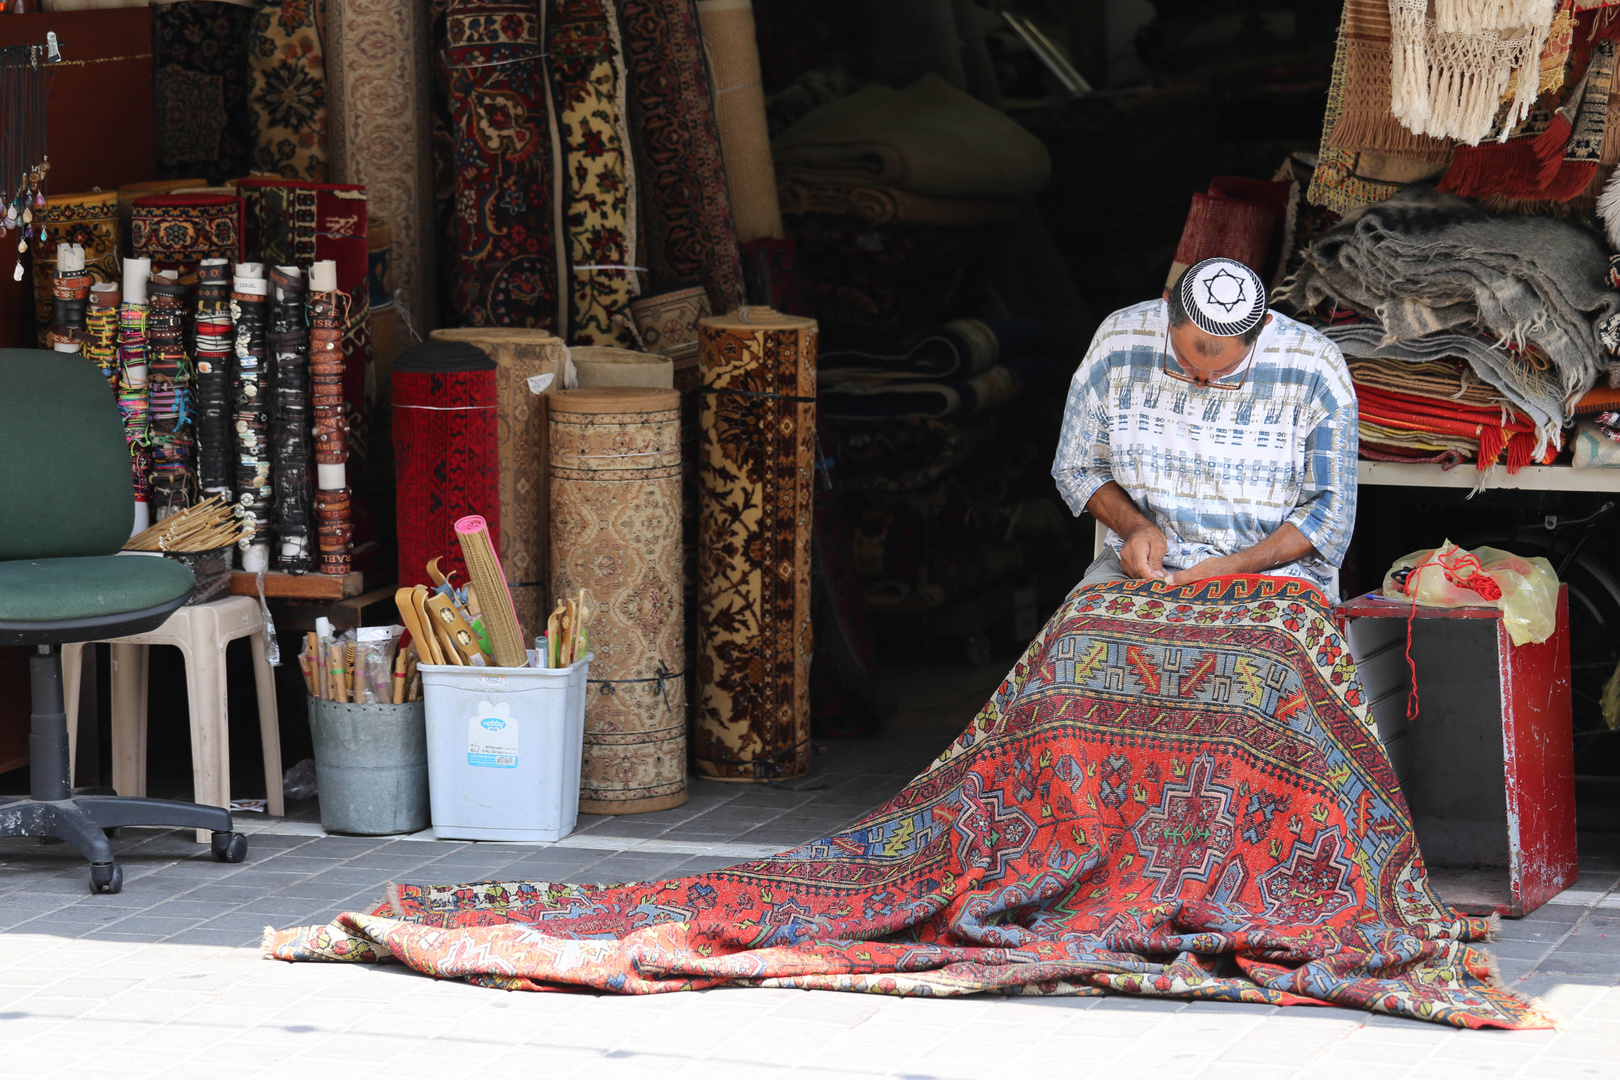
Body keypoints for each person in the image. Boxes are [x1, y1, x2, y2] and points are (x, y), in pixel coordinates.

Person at [1051, 256, 1357, 592]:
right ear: (1167, 308)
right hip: (1141, 569)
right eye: (1183, 360)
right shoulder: (1119, 339)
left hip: (1276, 573)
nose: (1199, 380)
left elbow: (1330, 512)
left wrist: (1234, 566)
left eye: (1222, 370)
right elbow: (1078, 467)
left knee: (1259, 647)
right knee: (1077, 641)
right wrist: (1135, 527)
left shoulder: (1316, 364)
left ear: (1264, 328)